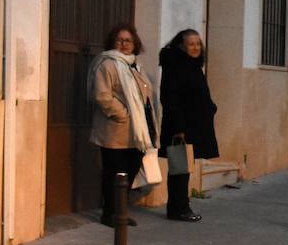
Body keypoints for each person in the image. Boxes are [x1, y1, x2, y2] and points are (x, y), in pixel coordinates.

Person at [88, 23, 158, 227]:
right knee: (114, 173)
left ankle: (120, 211)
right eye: (119, 40)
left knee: (130, 171)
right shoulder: (107, 64)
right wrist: (123, 114)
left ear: (135, 43)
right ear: (112, 42)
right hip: (115, 131)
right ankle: (110, 213)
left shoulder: (134, 65)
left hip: (136, 132)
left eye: (128, 40)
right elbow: (102, 95)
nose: (124, 44)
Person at [158, 29, 218, 223]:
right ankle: (179, 208)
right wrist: (179, 128)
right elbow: (170, 98)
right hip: (181, 128)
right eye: (191, 44)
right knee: (179, 169)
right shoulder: (176, 66)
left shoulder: (192, 65)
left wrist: (210, 107)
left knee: (182, 168)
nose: (195, 47)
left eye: (198, 44)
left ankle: (179, 207)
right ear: (182, 46)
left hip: (191, 125)